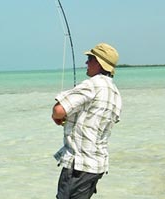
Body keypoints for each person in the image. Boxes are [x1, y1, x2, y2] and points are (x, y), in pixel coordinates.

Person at [52, 43, 122, 199]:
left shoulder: (93, 84)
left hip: (79, 166)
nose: (86, 63)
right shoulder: (116, 94)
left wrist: (58, 117)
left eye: (90, 59)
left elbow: (58, 111)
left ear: (99, 63)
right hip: (97, 166)